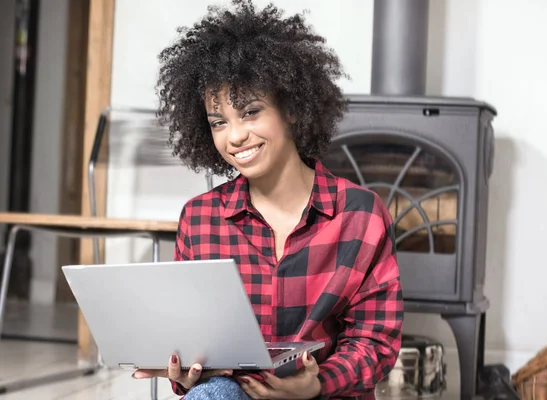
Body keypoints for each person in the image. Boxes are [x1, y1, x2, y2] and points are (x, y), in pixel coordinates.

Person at [132, 0, 404, 398]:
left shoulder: (361, 214)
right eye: (219, 122)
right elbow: (190, 338)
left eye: (251, 112)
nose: (235, 136)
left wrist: (317, 384)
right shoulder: (200, 218)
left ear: (291, 109)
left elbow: (375, 342)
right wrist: (184, 374)